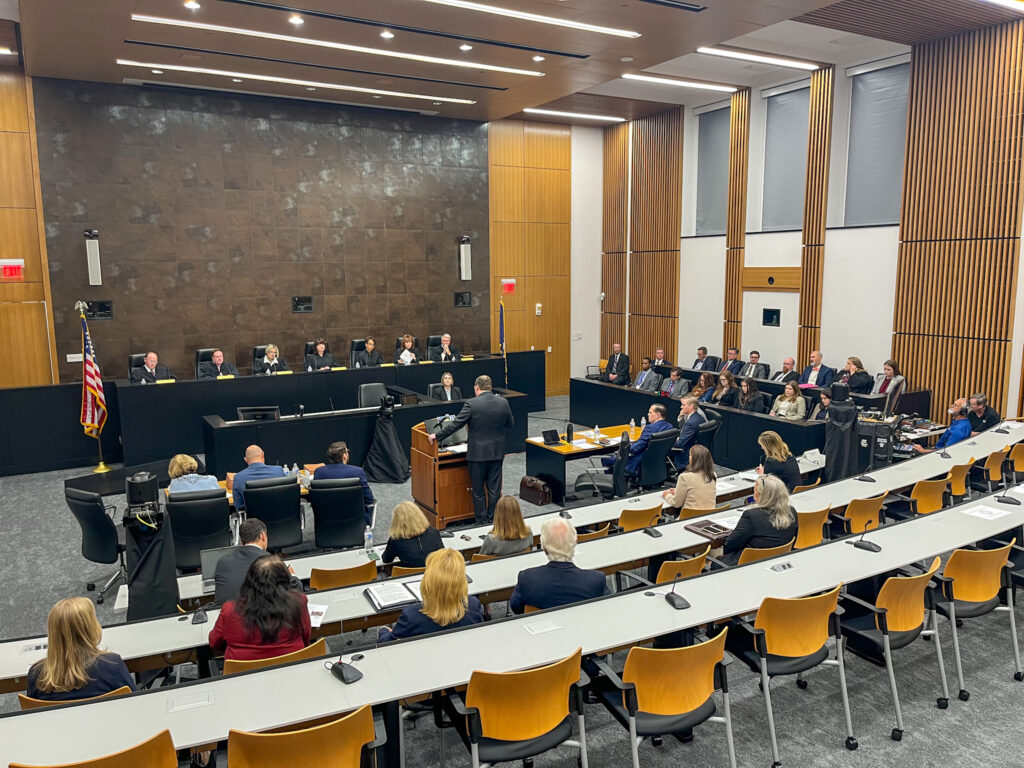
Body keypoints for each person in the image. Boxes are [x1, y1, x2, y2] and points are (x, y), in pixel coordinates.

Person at [428, 375, 514, 525]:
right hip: (496, 452)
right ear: (490, 387)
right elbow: (510, 423)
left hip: (478, 455)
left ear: (476, 388)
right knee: (494, 490)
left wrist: (437, 435)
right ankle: (493, 520)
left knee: (478, 491)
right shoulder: (503, 402)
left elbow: (456, 424)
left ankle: (481, 522)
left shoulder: (472, 404)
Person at [26, 597, 136, 702]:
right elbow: (134, 701)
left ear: (53, 633)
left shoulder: (37, 674)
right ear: (91, 628)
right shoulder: (112, 664)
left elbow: (31, 711)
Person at [208, 557, 310, 662]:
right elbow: (306, 637)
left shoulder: (229, 609)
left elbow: (214, 642)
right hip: (293, 668)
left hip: (243, 671)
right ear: (286, 580)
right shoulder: (299, 601)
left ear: (249, 581)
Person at [377, 549, 484, 642]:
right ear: (462, 580)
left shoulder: (411, 616)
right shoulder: (473, 605)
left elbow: (387, 643)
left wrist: (383, 630)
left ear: (428, 580)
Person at [509, 518, 608, 613]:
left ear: (544, 549)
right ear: (575, 542)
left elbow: (516, 608)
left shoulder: (527, 579)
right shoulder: (596, 580)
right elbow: (608, 609)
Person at [213, 518, 302, 605]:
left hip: (224, 613)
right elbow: (296, 592)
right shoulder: (271, 562)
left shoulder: (223, 562)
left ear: (241, 540)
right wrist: (292, 575)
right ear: (263, 536)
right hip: (258, 613)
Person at [722, 475, 798, 565]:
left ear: (761, 495)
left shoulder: (751, 515)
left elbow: (730, 544)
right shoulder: (791, 511)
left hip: (746, 563)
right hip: (779, 560)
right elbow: (794, 538)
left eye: (755, 490)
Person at [313, 441, 376, 525]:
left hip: (327, 520)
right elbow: (369, 499)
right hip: (355, 520)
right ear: (344, 456)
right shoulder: (357, 472)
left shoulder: (319, 472)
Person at [601, 403, 673, 475]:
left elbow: (636, 449)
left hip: (638, 460)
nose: (648, 414)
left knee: (606, 459)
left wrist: (625, 447)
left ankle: (613, 480)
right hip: (656, 461)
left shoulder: (650, 428)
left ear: (657, 415)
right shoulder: (669, 427)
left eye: (650, 412)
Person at [381, 501, 444, 568]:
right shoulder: (434, 532)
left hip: (409, 574)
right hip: (433, 572)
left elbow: (386, 560)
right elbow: (443, 554)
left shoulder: (395, 540)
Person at [662, 444, 716, 511]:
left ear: (692, 459)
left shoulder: (684, 477)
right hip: (709, 514)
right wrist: (678, 491)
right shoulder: (713, 475)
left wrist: (667, 495)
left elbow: (676, 503)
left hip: (690, 515)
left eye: (690, 455)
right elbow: (697, 491)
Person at [232, 444, 286, 511]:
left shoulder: (238, 478)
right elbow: (285, 496)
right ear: (262, 455)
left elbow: (239, 506)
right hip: (280, 515)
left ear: (245, 460)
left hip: (253, 517)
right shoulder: (278, 471)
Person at [671, 396, 706, 471]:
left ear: (691, 406)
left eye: (683, 405)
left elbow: (679, 444)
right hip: (694, 448)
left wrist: (670, 442)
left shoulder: (691, 423)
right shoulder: (699, 417)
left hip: (685, 454)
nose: (681, 407)